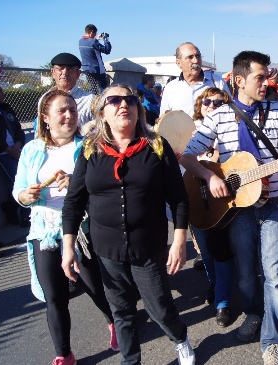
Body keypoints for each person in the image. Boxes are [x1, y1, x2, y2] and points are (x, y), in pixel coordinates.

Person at [180, 51, 278, 365]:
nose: (266, 82)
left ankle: (272, 341)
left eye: (268, 76)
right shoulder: (218, 115)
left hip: (275, 203)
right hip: (237, 208)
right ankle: (254, 312)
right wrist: (207, 176)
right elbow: (188, 157)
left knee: (275, 276)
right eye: (260, 77)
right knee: (245, 275)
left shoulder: (277, 111)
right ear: (239, 80)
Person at [61, 84, 195, 365]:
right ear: (102, 113)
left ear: (138, 109)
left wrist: (180, 241)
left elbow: (179, 199)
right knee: (121, 310)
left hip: (148, 247)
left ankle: (180, 339)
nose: (124, 104)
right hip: (107, 250)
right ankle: (130, 360)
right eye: (115, 100)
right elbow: (74, 201)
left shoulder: (156, 146)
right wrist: (68, 246)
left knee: (159, 308)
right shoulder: (90, 149)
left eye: (130, 100)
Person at [13, 90, 117, 365]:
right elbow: (19, 192)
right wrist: (27, 196)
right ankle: (64, 354)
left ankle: (114, 322)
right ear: (45, 118)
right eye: (62, 111)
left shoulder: (87, 147)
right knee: (54, 297)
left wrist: (76, 181)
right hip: (44, 231)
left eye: (72, 109)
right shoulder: (31, 150)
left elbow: (103, 188)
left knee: (96, 287)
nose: (69, 115)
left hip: (81, 228)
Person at [189, 87, 235, 326]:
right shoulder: (188, 132)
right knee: (206, 251)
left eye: (219, 103)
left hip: (224, 200)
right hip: (194, 197)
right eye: (208, 102)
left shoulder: (229, 131)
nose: (212, 106)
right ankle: (216, 285)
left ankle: (223, 302)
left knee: (221, 250)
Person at [0, 81, 30, 226]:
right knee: (18, 181)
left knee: (28, 177)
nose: (3, 93)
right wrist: (8, 150)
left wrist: (18, 145)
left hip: (16, 149)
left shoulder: (6, 109)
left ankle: (10, 207)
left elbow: (18, 130)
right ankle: (25, 216)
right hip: (1, 154)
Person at [160, 42, 230, 117]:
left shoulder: (217, 82)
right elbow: (164, 119)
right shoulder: (171, 88)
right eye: (190, 57)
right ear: (178, 63)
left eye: (198, 56)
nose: (195, 61)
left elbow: (230, 111)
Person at [49, 53, 95, 128]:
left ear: (78, 74)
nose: (65, 72)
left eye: (70, 69)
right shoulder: (45, 99)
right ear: (53, 72)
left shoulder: (90, 100)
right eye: (60, 68)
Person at [79, 24, 112, 94]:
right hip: (97, 69)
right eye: (95, 33)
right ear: (91, 32)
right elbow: (107, 50)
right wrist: (106, 40)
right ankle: (101, 103)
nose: (95, 35)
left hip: (86, 69)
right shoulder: (93, 42)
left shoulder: (80, 41)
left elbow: (90, 44)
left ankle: (93, 102)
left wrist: (96, 39)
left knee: (93, 88)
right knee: (103, 89)